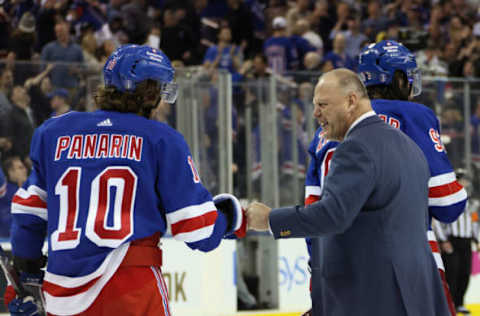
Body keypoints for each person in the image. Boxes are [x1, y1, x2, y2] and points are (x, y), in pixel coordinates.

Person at [6, 44, 246, 316]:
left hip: (63, 295)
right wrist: (232, 215)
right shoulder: (161, 138)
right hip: (132, 289)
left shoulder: (53, 132)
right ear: (152, 92)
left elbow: (28, 215)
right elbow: (197, 231)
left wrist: (26, 278)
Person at [247, 68, 450, 316]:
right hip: (415, 297)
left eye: (323, 104)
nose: (316, 113)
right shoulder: (409, 147)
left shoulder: (357, 148)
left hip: (374, 299)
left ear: (351, 101)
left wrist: (269, 220)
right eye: (314, 105)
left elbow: (331, 216)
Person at [301, 40, 467, 315]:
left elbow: (312, 218)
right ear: (399, 78)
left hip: (336, 270)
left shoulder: (323, 133)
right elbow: (448, 204)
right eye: (408, 76)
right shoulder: (412, 115)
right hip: (405, 268)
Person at [434, 168, 479, 315]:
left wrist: (477, 240)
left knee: (464, 273)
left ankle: (459, 303)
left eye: (466, 181)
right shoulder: (449, 201)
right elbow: (439, 222)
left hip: (466, 241)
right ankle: (449, 304)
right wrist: (443, 240)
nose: (465, 183)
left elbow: (474, 223)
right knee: (451, 273)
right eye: (462, 180)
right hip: (451, 241)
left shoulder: (472, 204)